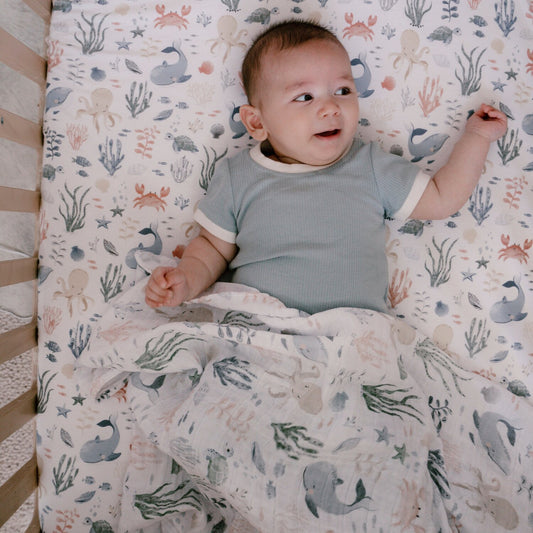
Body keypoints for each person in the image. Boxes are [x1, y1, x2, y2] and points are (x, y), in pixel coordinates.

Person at [145, 20, 507, 315]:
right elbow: (210, 248)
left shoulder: (369, 166)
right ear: (256, 122)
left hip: (352, 335)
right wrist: (186, 280)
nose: (331, 107)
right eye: (305, 97)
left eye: (343, 91)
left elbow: (442, 198)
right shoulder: (238, 176)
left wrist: (477, 138)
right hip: (260, 324)